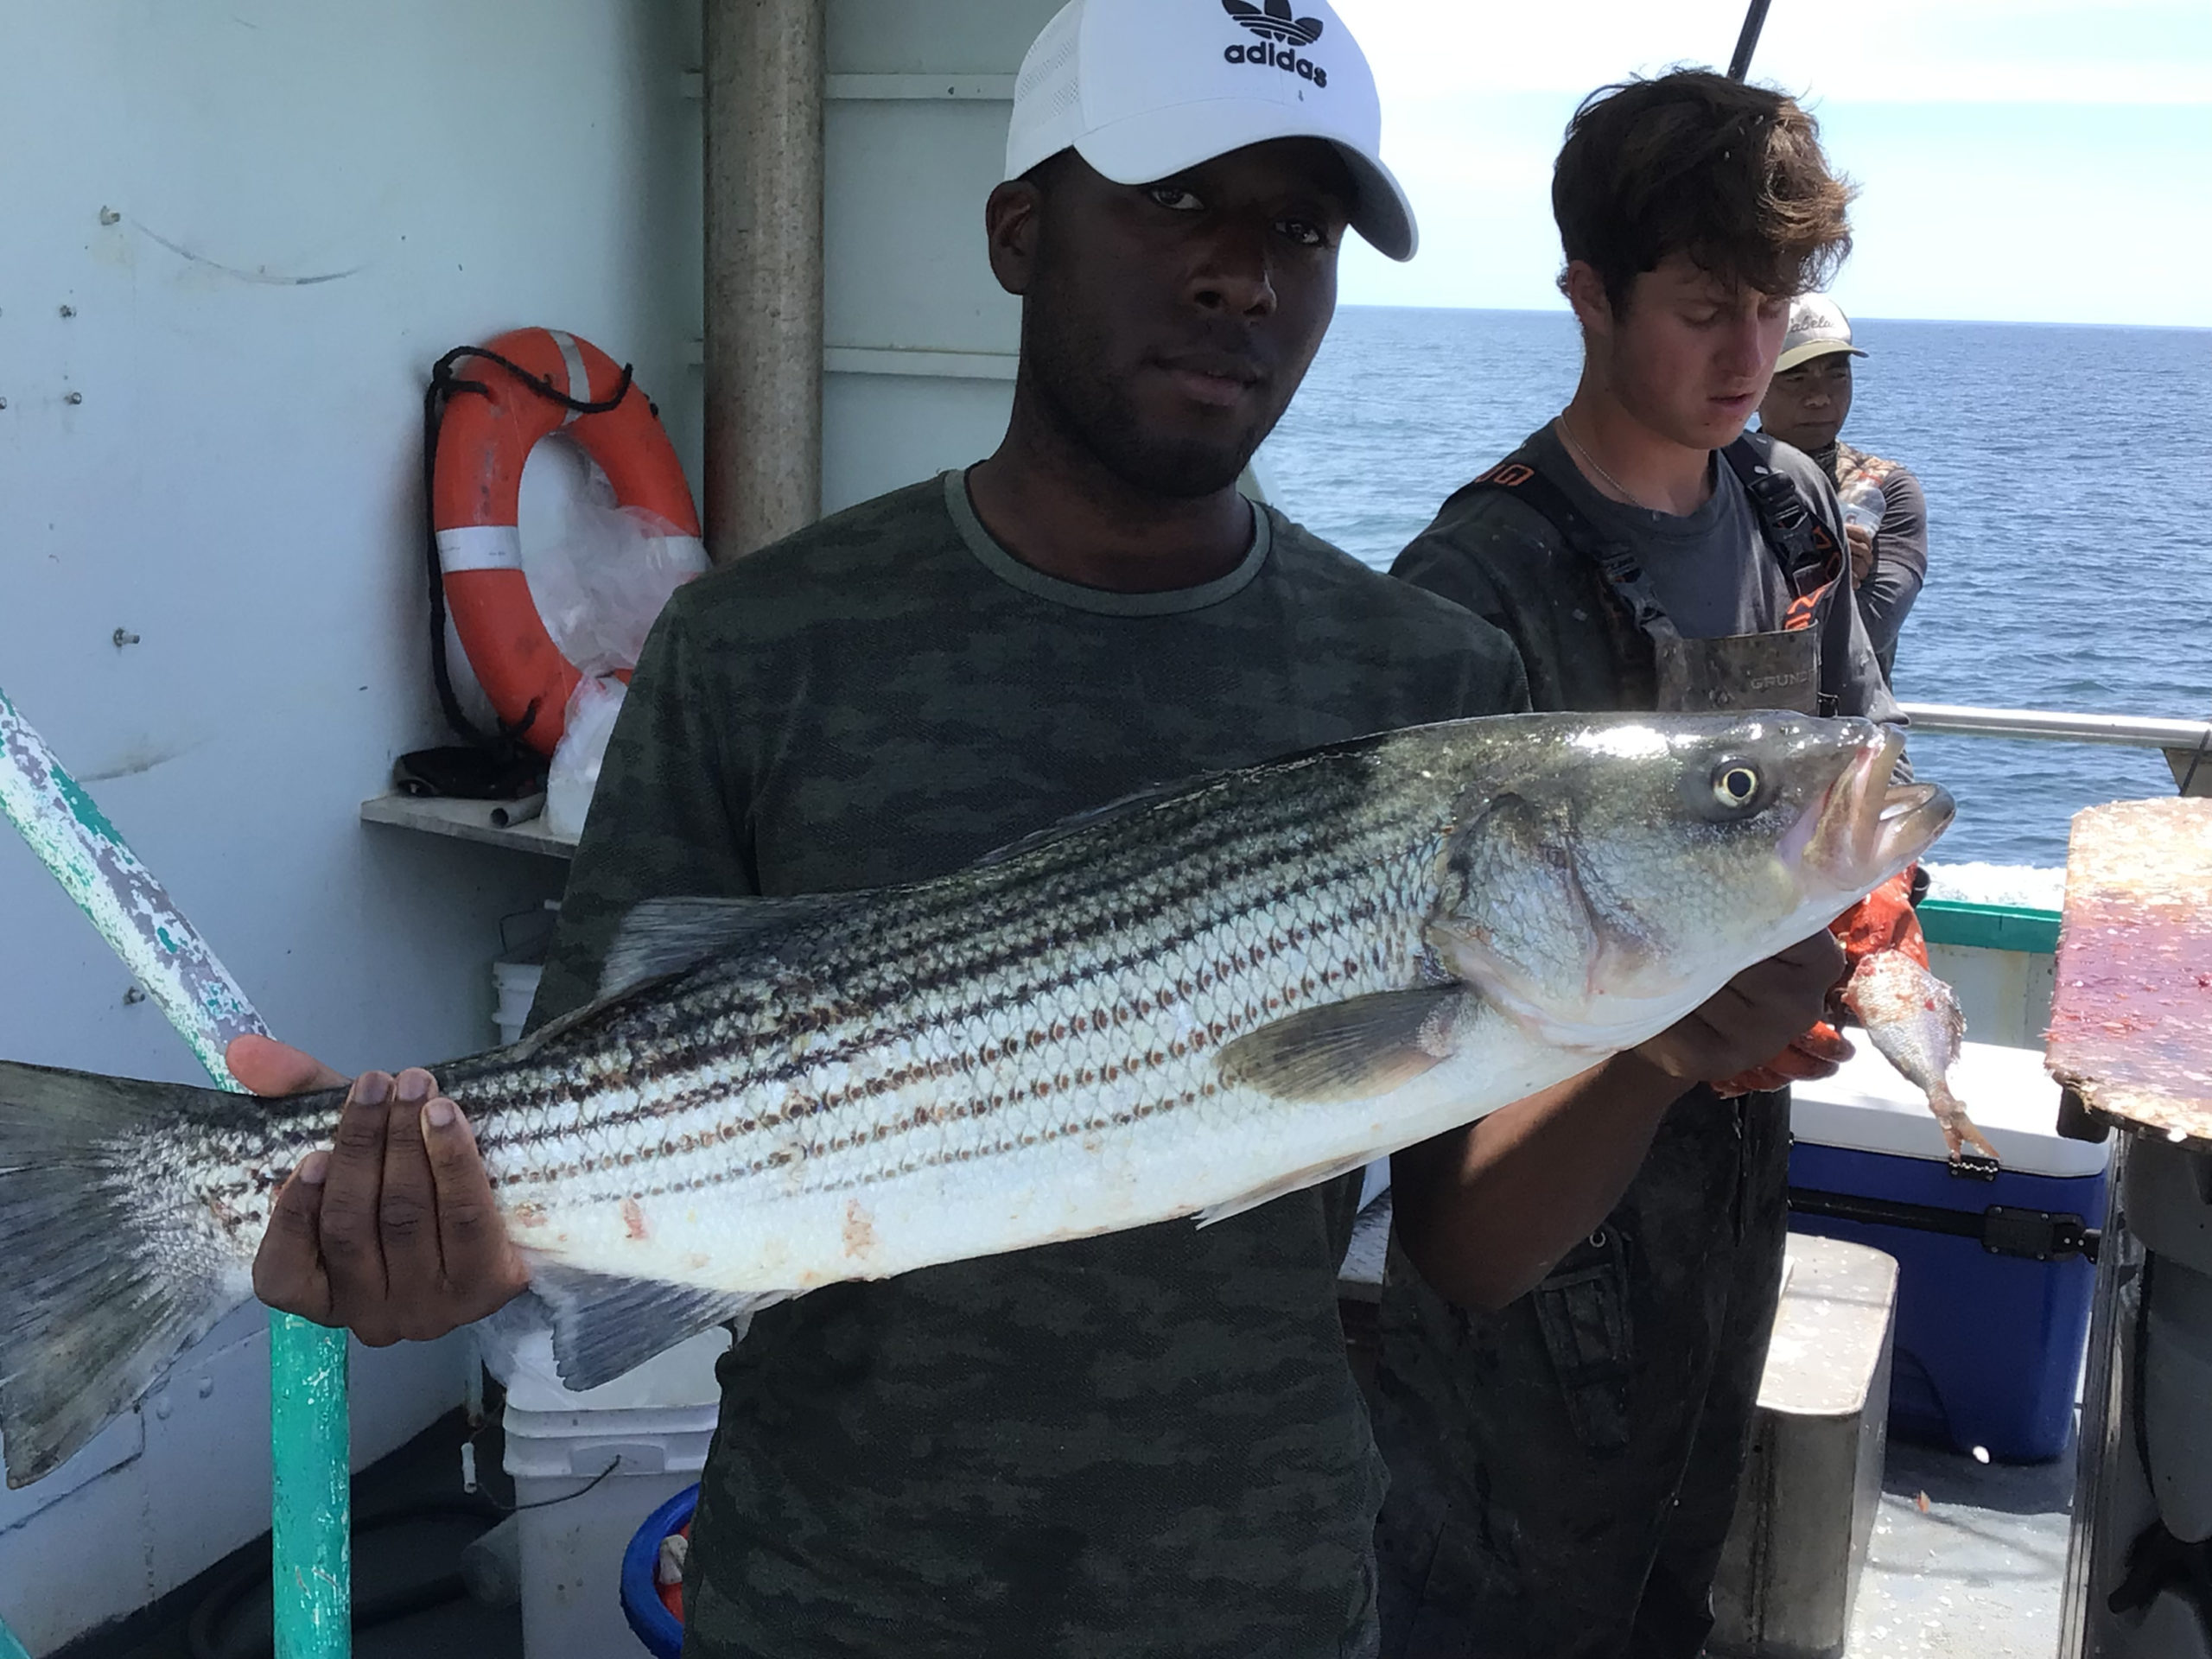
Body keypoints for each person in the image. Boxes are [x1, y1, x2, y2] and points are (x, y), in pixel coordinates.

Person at [230, 13, 1844, 1656]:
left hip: (1257, 1598)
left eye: (1298, 227)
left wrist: (1655, 1045)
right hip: (826, 1594)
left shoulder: (1426, 683)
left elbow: (1463, 1248)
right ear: (1018, 230)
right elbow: (595, 1108)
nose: (1242, 275)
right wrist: (425, 1231)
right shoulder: (763, 643)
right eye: (1173, 199)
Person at [1376, 72, 1908, 1659]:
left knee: (1677, 1561)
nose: (1752, 357)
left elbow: (1861, 756)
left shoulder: (1792, 505)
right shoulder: (1473, 586)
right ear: (1588, 297)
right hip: (1537, 1211)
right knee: (1496, 1597)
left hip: (1733, 1194)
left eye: (1777, 304)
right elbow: (1423, 1026)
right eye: (1702, 309)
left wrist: (1875, 930)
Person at [1757, 293, 1929, 680]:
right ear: (1754, 383)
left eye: (1837, 374)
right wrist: (1823, 572)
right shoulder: (1707, 478)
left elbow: (1868, 633)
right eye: (1796, 377)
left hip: (1851, 734)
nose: (1819, 397)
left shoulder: (1884, 488)